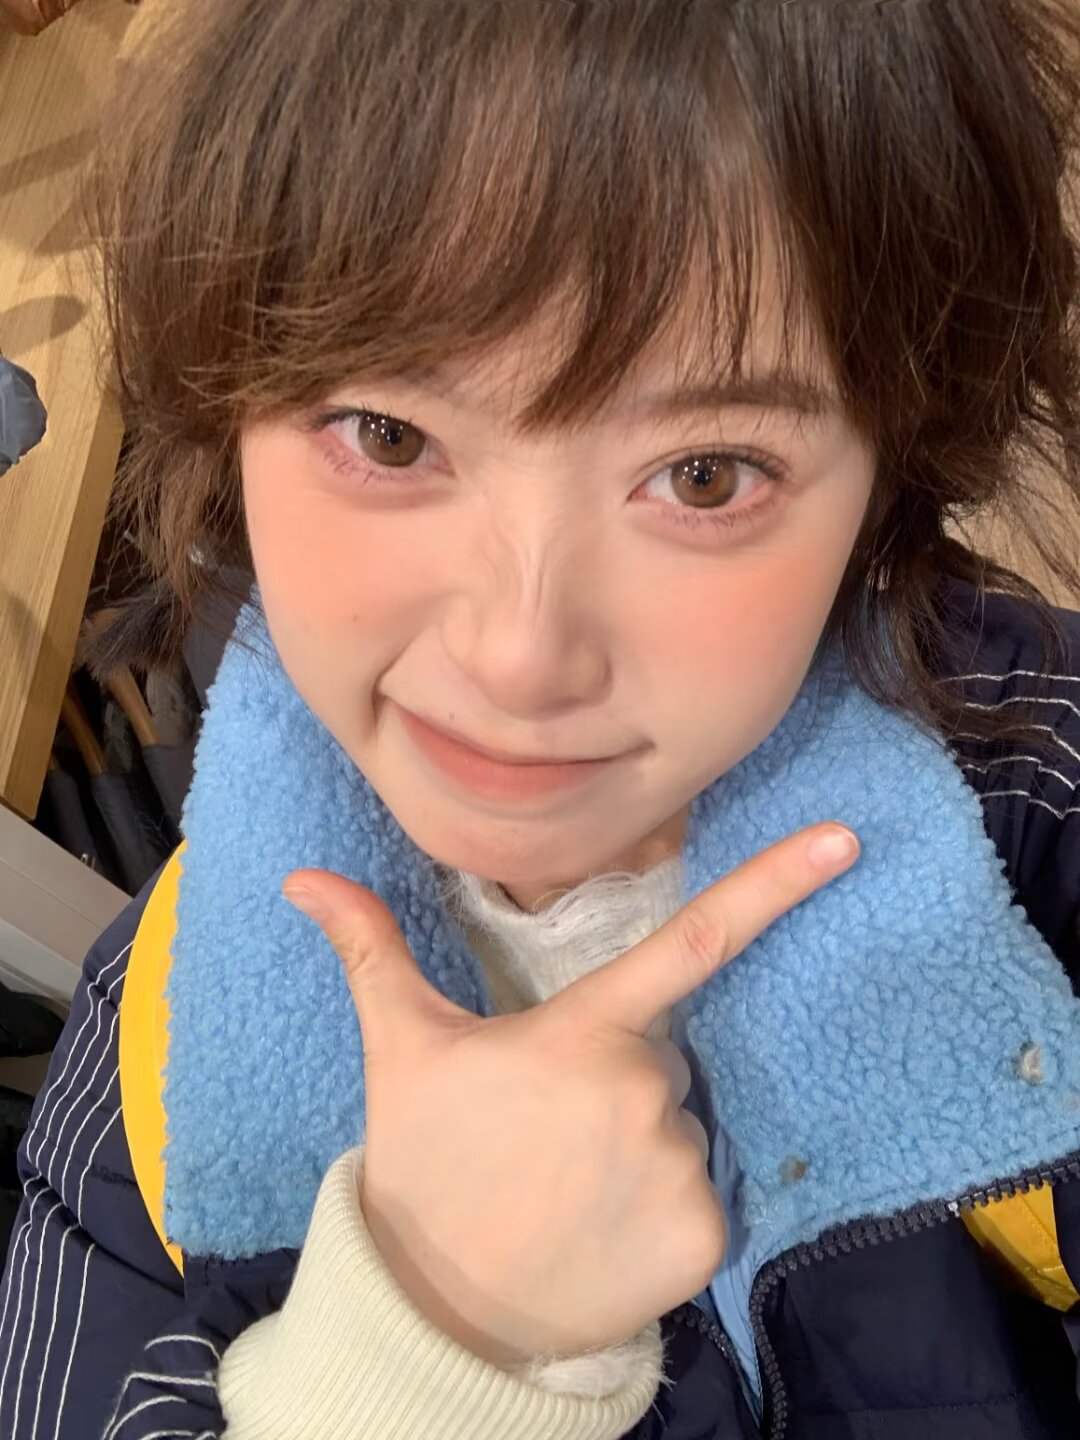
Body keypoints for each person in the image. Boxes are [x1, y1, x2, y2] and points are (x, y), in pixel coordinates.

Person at [3, 0, 1080, 1436]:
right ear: (225, 413)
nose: (518, 658)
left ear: (890, 469)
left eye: (704, 474)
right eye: (389, 434)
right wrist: (423, 1349)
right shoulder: (153, 1073)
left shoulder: (1037, 790)